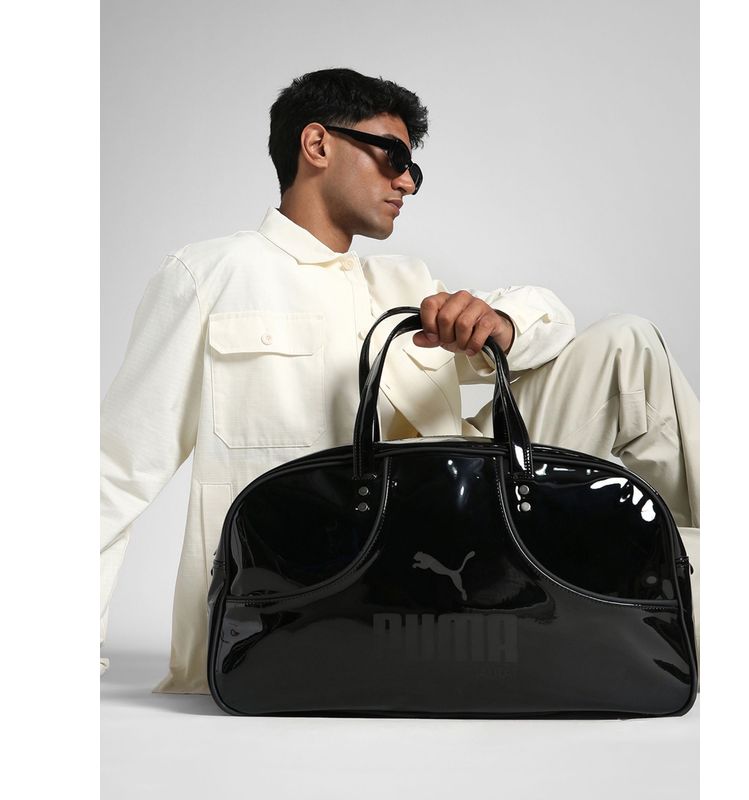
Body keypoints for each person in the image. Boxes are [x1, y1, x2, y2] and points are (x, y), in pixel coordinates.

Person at [100, 67, 699, 695]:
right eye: (392, 156)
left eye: (413, 167)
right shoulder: (211, 275)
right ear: (317, 145)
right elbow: (117, 467)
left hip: (471, 548)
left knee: (627, 345)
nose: (407, 180)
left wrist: (500, 324)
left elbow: (550, 320)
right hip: (303, 598)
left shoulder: (405, 283)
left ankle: (688, 610)